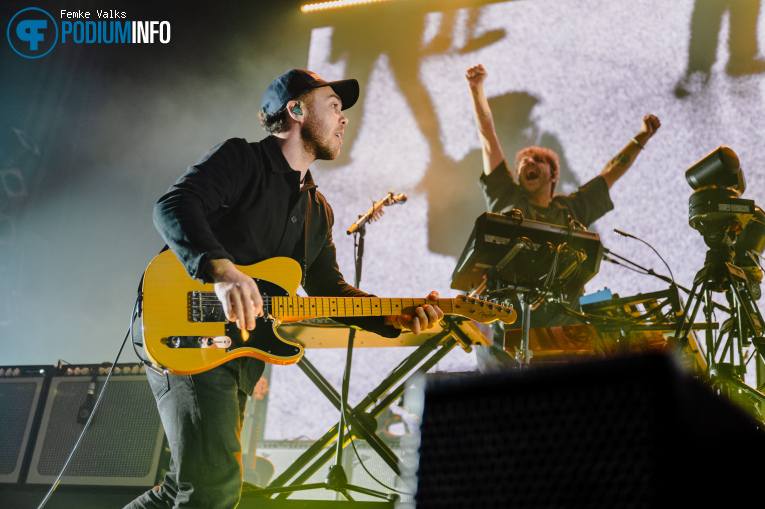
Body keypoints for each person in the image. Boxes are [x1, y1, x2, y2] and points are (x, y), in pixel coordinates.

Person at [126, 69, 443, 509]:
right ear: (295, 110)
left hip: (238, 354)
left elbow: (329, 290)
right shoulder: (243, 159)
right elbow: (174, 205)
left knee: (186, 489)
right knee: (212, 490)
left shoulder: (318, 209)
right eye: (333, 104)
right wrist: (223, 271)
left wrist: (391, 315)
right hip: (188, 330)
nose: (344, 117)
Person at [464, 63, 661, 369]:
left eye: (538, 160)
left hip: (562, 334)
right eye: (523, 161)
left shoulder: (572, 209)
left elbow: (611, 171)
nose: (528, 161)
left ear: (553, 174)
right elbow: (488, 136)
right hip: (508, 333)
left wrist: (641, 138)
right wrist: (476, 89)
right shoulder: (507, 195)